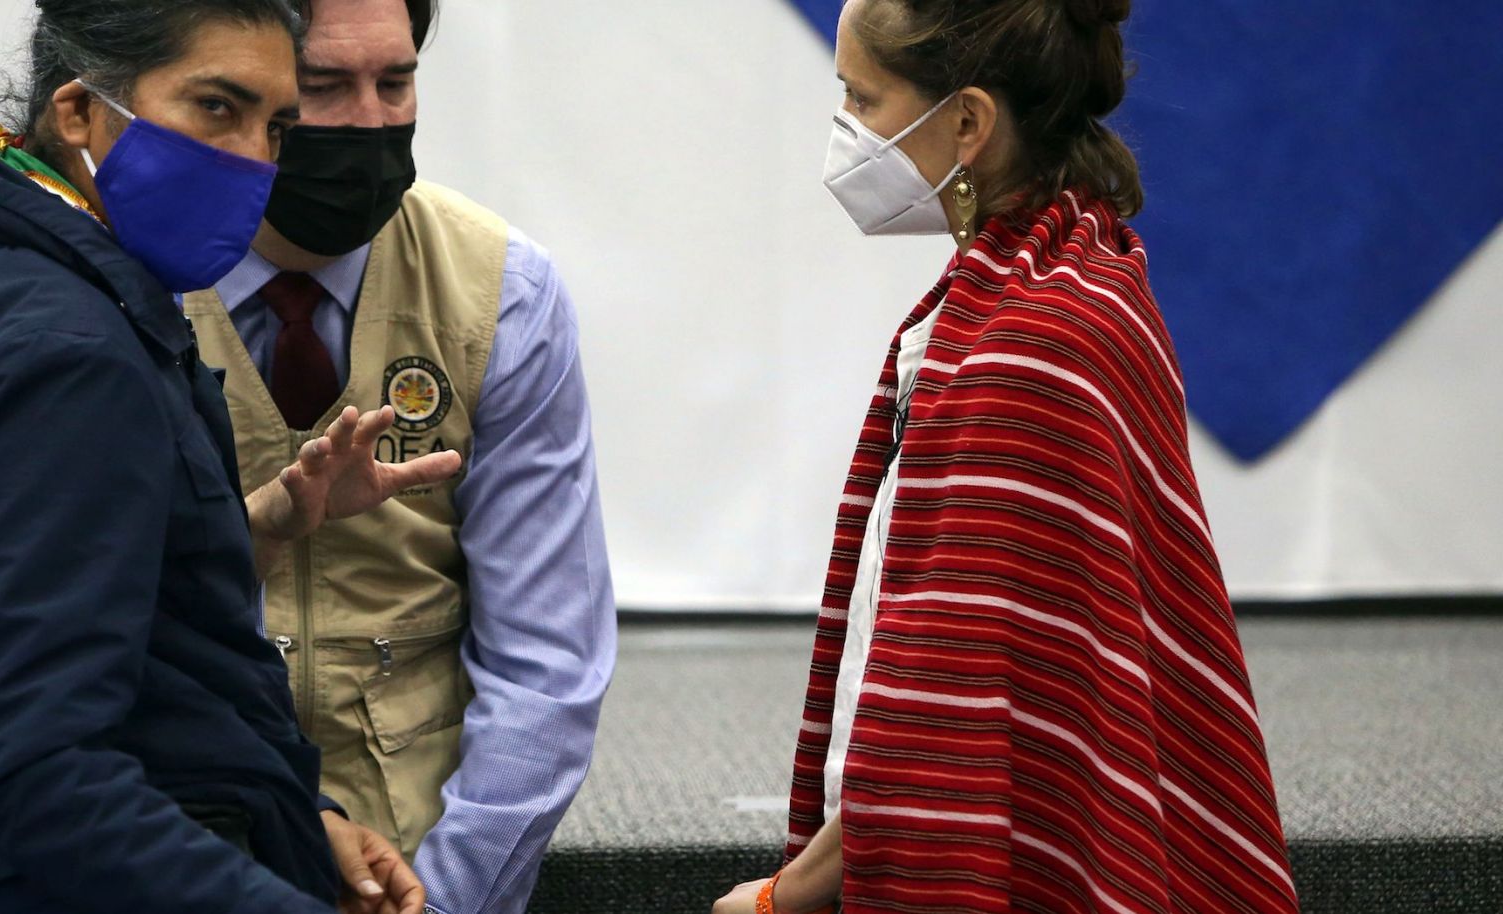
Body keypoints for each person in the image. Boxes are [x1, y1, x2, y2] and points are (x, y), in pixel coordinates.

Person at [0, 2, 453, 911]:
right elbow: (39, 775)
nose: (255, 156)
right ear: (79, 113)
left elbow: (126, 640)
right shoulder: (68, 350)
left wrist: (297, 814)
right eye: (217, 106)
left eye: (277, 124)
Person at [714, 1, 1299, 912]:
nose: (845, 131)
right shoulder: (1085, 275)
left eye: (862, 99)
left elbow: (935, 723)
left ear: (969, 123)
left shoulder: (1027, 348)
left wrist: (780, 900)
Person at [177, 1, 618, 910]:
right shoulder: (130, 279)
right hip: (188, 833)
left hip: (420, 854)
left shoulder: (503, 289)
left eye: (399, 79)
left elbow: (546, 662)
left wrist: (447, 898)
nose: (373, 121)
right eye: (327, 86)